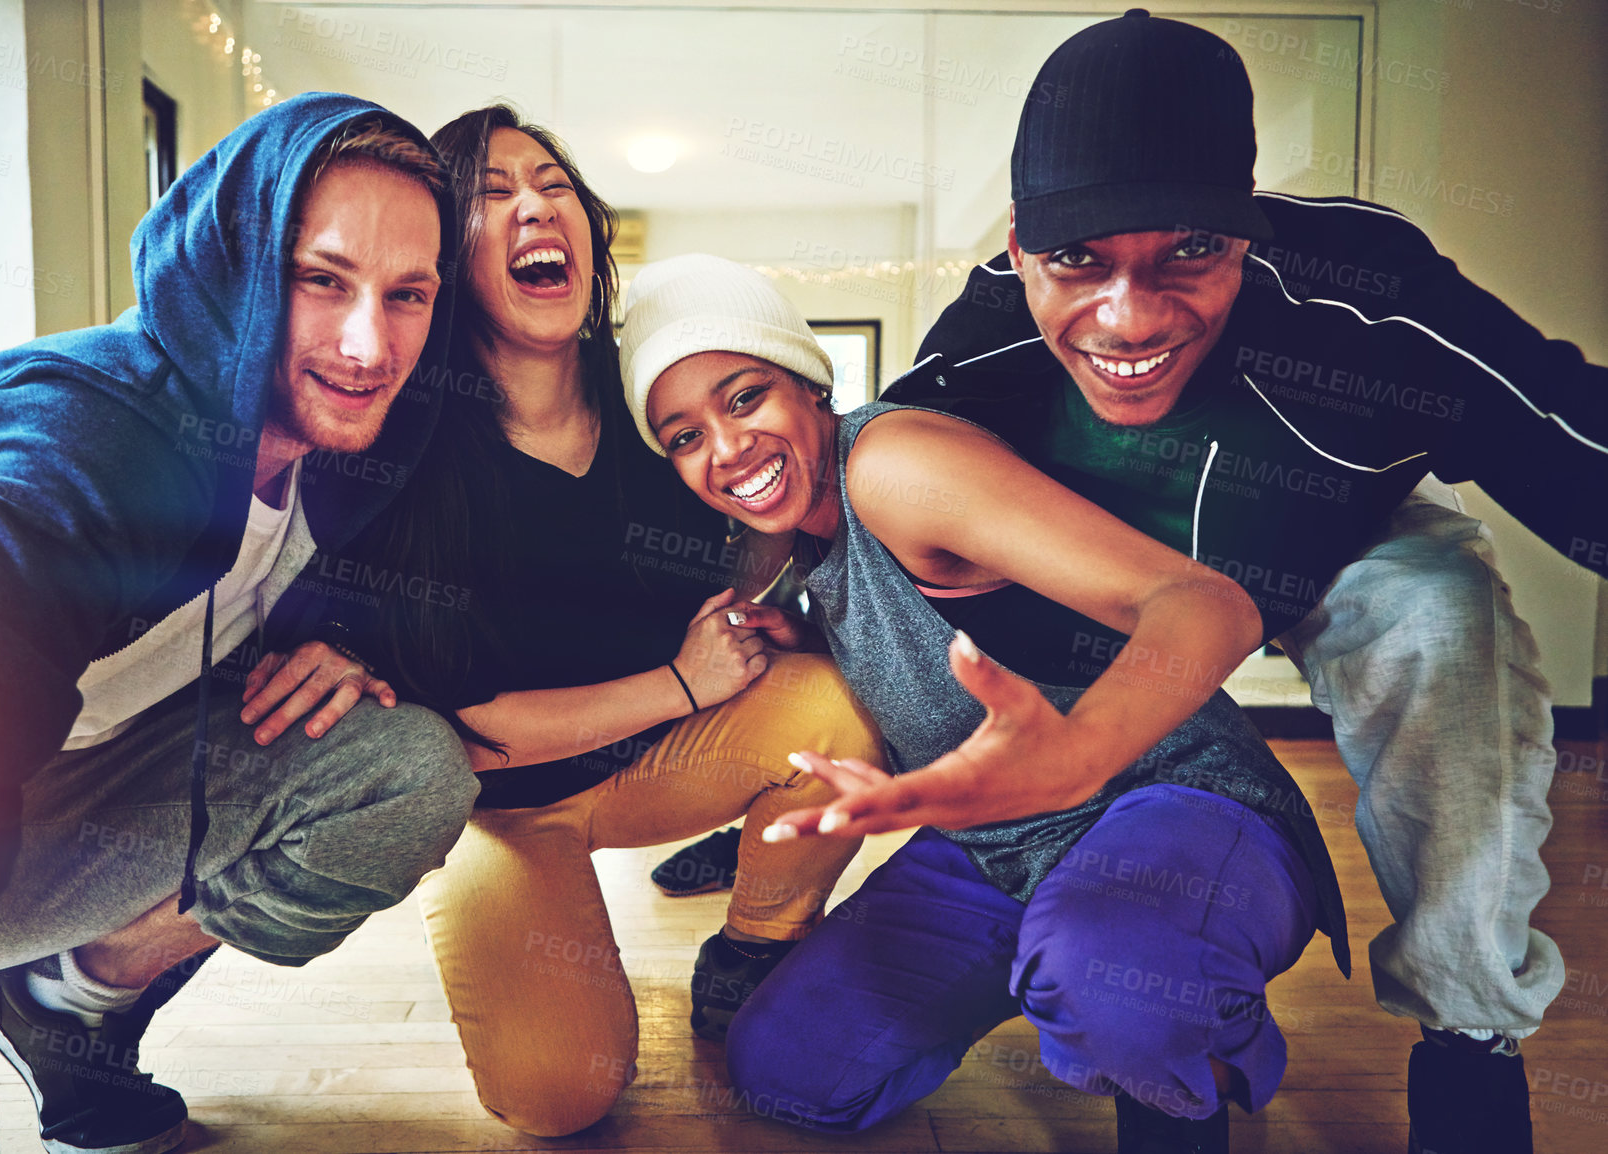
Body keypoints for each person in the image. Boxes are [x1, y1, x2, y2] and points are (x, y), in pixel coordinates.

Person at [771, 11, 1608, 1154]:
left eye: (1188, 254)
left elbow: (1578, 449)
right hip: (1118, 589)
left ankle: (1466, 1038)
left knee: (1435, 615)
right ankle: (1105, 933)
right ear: (1017, 244)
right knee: (808, 1063)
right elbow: (888, 572)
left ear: (1248, 232)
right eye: (1078, 261)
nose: (1129, 314)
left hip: (1337, 543)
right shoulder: (968, 369)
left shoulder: (1369, 298)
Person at [622, 251, 1350, 1154]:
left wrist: (1082, 753)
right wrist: (807, 645)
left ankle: (1174, 1026)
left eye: (744, 399)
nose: (726, 450)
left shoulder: (890, 463)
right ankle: (1076, 962)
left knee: (1121, 987)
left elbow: (1208, 604)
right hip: (1000, 847)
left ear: (812, 384)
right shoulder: (797, 545)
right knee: (787, 1069)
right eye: (684, 436)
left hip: (1174, 804)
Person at [0, 94, 481, 1154]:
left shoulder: (329, 460)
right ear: (232, 263)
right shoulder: (71, 449)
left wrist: (336, 642)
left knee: (405, 773)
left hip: (52, 798)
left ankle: (65, 1002)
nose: (366, 340)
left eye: (407, 294)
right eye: (320, 278)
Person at [308, 105, 883, 1139]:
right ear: (443, 253)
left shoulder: (651, 397)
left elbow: (759, 508)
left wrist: (766, 614)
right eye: (491, 192)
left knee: (840, 702)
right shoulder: (410, 450)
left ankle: (752, 943)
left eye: (552, 183)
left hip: (661, 761)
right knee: (556, 1093)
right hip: (504, 803)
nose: (533, 202)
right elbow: (467, 725)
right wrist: (681, 682)